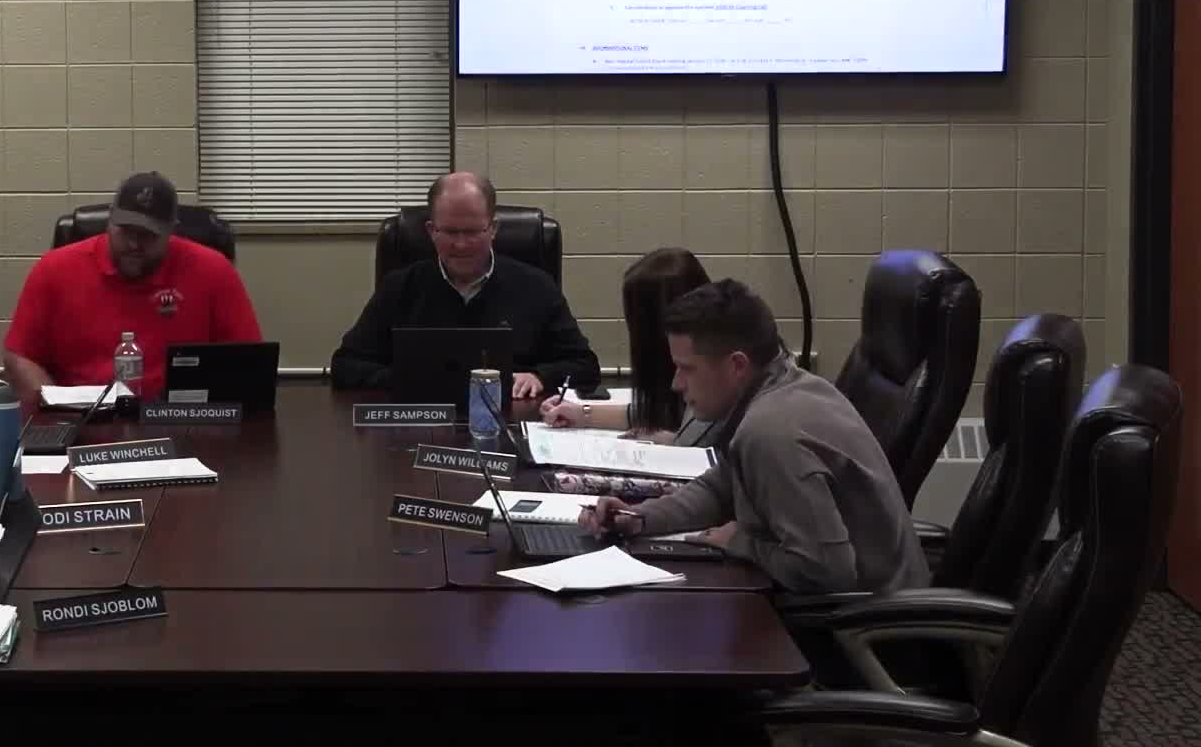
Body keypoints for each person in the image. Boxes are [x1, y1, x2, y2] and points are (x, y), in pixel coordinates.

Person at [578, 280, 927, 595]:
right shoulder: (785, 385)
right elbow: (719, 489)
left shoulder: (770, 432)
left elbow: (827, 572)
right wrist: (640, 517)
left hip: (865, 629)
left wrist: (741, 542)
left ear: (737, 366)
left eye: (687, 368)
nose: (676, 384)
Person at [329, 172, 600, 399]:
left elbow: (585, 366)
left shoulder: (537, 286)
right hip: (421, 422)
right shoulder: (399, 287)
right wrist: (408, 379)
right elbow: (345, 366)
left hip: (512, 421)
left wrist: (540, 376)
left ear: (493, 229)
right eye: (449, 232)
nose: (460, 245)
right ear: (431, 231)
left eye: (472, 232)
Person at [3, 171, 262, 402]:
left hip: (179, 417)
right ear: (110, 220)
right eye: (126, 230)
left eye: (148, 235)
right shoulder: (54, 269)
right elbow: (20, 357)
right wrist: (56, 410)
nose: (134, 244)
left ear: (171, 231)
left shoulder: (213, 270)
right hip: (81, 418)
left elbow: (248, 361)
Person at [542, 247, 721, 445]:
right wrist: (583, 414)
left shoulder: (710, 380)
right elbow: (661, 411)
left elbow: (690, 445)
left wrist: (672, 442)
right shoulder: (698, 364)